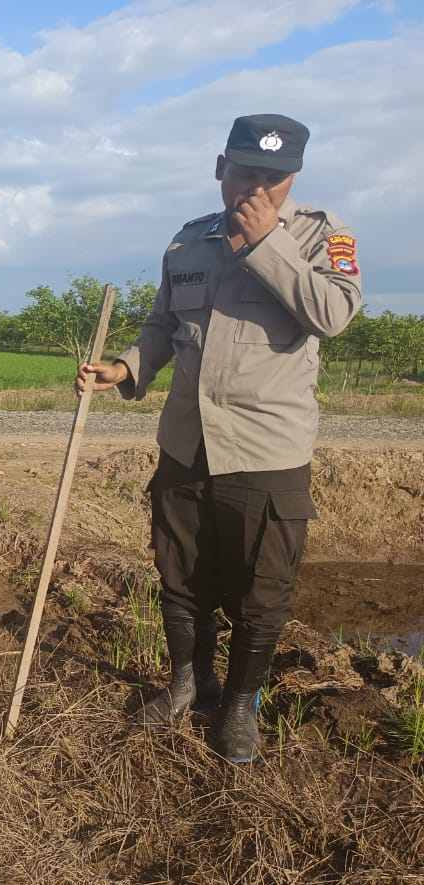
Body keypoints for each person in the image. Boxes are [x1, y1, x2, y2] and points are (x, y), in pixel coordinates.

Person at [76, 114, 362, 762]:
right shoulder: (187, 244)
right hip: (186, 442)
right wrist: (125, 367)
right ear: (218, 169)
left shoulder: (323, 238)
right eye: (245, 174)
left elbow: (334, 313)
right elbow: (161, 328)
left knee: (262, 594)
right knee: (180, 576)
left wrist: (265, 246)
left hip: (267, 452)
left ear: (292, 179)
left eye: (273, 178)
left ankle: (238, 704)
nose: (257, 191)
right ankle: (187, 683)